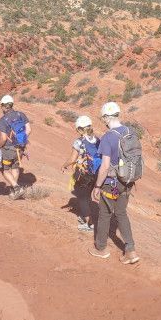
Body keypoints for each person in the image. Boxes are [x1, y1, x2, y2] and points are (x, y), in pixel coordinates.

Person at [89, 102, 139, 264]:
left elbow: (104, 166)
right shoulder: (130, 132)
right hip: (128, 181)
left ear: (105, 117)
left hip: (111, 183)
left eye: (102, 117)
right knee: (121, 213)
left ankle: (101, 248)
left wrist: (97, 186)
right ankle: (130, 251)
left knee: (104, 214)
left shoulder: (108, 137)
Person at [61, 115, 101, 232]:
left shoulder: (79, 141)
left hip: (84, 174)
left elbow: (73, 159)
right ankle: (88, 218)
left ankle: (90, 224)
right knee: (87, 195)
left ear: (79, 129)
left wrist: (64, 165)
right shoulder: (97, 140)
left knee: (82, 198)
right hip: (96, 174)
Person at [0, 94, 31, 199]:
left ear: (3, 106)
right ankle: (14, 191)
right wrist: (21, 141)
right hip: (20, 148)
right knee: (15, 168)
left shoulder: (2, 120)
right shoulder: (21, 114)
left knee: (4, 169)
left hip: (8, 149)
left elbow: (3, 138)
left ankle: (16, 187)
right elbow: (29, 130)